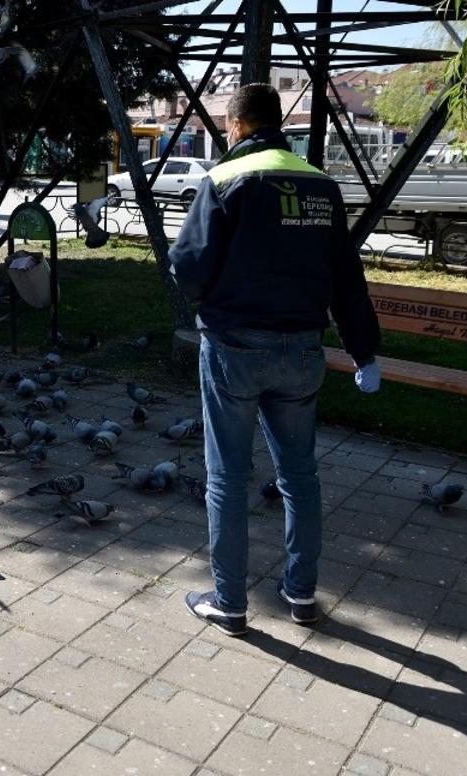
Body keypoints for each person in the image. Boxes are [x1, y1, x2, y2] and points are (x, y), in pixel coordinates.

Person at [168, 83, 381, 637]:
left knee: (228, 479)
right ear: (277, 125)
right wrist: (363, 350)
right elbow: (346, 280)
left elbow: (187, 269)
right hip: (302, 350)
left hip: (234, 349)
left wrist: (212, 289)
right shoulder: (321, 184)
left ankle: (229, 603)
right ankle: (302, 593)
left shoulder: (224, 180)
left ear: (236, 126)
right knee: (299, 476)